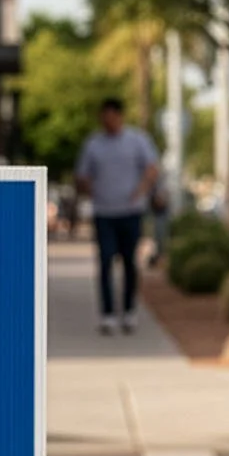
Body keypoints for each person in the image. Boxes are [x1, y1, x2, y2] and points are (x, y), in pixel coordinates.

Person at [74, 96, 160, 334]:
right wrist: (89, 189)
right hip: (104, 212)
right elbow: (82, 175)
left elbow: (152, 168)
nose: (108, 122)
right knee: (105, 262)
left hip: (131, 211)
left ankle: (129, 310)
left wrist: (141, 190)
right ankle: (108, 314)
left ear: (119, 116)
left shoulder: (137, 141)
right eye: (104, 118)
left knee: (130, 262)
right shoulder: (93, 144)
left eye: (111, 117)